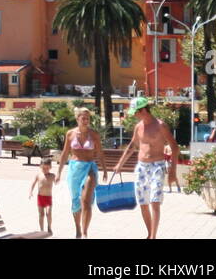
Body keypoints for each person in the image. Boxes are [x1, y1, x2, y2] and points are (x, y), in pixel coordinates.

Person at [108, 97, 179, 239]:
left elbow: (174, 147)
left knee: (154, 201)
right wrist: (120, 164)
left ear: (143, 110)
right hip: (141, 167)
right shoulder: (138, 127)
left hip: (157, 166)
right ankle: (149, 234)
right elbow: (132, 146)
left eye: (136, 112)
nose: (134, 115)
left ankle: (153, 236)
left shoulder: (160, 125)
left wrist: (172, 172)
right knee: (143, 202)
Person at [57, 107, 101, 238]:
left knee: (86, 201)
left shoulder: (94, 134)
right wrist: (59, 172)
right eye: (83, 118)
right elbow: (65, 153)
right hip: (75, 169)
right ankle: (78, 229)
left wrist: (104, 169)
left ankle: (85, 232)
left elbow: (100, 152)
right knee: (76, 201)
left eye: (88, 118)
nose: (86, 120)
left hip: (90, 168)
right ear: (77, 119)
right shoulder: (70, 134)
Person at [29, 160, 55, 234]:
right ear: (40, 166)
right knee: (41, 214)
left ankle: (49, 227)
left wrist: (57, 180)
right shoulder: (38, 175)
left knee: (48, 213)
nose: (45, 170)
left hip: (48, 198)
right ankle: (41, 229)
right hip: (40, 197)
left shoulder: (52, 175)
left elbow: (56, 182)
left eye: (47, 168)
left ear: (50, 167)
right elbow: (33, 183)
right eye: (43, 168)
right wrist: (30, 191)